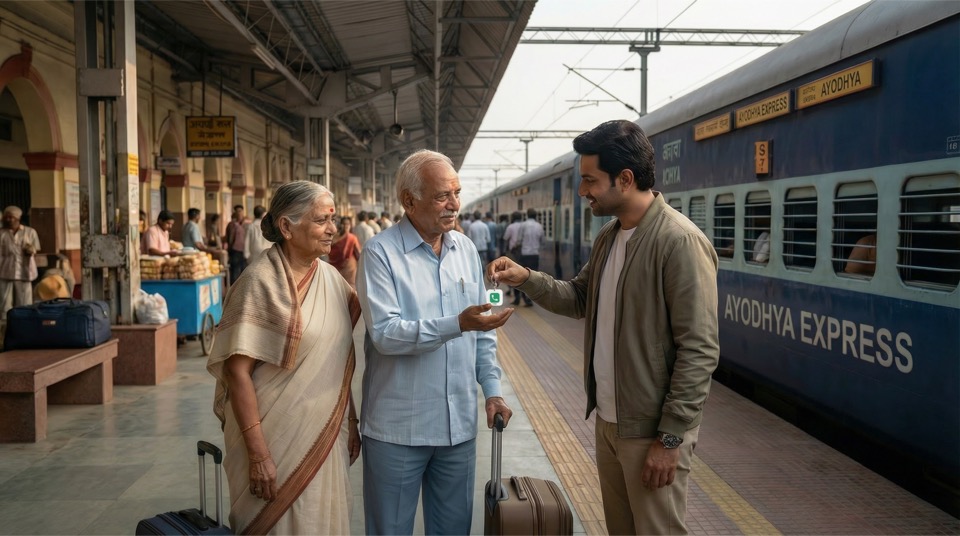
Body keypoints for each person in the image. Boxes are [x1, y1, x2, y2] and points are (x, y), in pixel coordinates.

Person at [488, 120, 720, 535]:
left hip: (651, 430)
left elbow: (699, 349)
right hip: (610, 423)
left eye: (590, 181)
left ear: (625, 179)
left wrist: (670, 439)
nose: (583, 191)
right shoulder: (610, 238)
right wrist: (526, 277)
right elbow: (579, 297)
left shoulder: (678, 242)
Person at [357, 149, 514, 535]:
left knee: (454, 529)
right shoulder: (380, 254)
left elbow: (482, 334)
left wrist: (492, 391)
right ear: (409, 201)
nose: (454, 205)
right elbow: (386, 334)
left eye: (456, 193)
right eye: (442, 196)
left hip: (457, 427)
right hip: (399, 430)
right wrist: (457, 323)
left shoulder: (465, 250)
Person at [207, 181, 362, 534]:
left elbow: (338, 360)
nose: (333, 230)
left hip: (326, 433)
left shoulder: (332, 279)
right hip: (272, 444)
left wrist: (351, 420)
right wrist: (259, 456)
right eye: (322, 220)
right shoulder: (258, 282)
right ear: (287, 227)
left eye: (333, 219)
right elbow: (237, 372)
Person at [1, 206, 40, 317]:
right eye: (6, 217)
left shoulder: (30, 232)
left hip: (24, 272)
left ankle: (23, 325)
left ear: (17, 218)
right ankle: (5, 328)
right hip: (4, 272)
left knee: (24, 304)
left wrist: (30, 250)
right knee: (4, 304)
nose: (8, 219)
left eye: (11, 217)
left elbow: (35, 249)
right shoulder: (1, 234)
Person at [514, 208, 544, 306]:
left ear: (527, 215)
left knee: (522, 277)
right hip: (534, 255)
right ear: (536, 216)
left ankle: (522, 297)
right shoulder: (539, 226)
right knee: (533, 278)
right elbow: (542, 241)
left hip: (524, 254)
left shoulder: (523, 225)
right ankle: (530, 298)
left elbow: (519, 240)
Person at [328, 215, 362, 287]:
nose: (346, 226)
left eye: (348, 224)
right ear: (340, 225)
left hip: (348, 268)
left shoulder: (351, 238)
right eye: (344, 224)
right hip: (340, 268)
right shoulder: (350, 237)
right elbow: (358, 254)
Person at [226, 205, 247, 284]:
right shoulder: (231, 225)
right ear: (234, 213)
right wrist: (230, 250)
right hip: (235, 251)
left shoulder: (245, 224)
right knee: (235, 273)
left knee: (243, 272)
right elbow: (229, 238)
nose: (239, 213)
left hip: (244, 251)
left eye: (240, 211)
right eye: (237, 211)